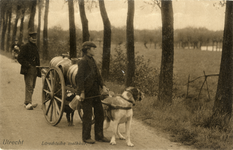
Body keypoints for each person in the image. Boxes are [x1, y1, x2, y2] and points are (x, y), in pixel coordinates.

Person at [75, 41, 110, 144]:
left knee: (100, 113)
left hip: (95, 92)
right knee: (87, 115)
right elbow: (80, 78)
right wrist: (81, 92)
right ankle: (86, 137)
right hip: (87, 92)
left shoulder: (92, 60)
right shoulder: (83, 61)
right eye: (93, 48)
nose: (95, 50)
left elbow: (98, 75)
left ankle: (99, 136)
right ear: (87, 50)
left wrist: (103, 85)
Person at [17, 31, 41, 110]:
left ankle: (27, 102)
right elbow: (19, 58)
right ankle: (28, 103)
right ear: (29, 38)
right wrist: (28, 65)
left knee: (33, 86)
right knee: (29, 86)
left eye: (35, 38)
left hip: (35, 69)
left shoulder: (35, 47)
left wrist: (39, 69)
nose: (34, 39)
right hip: (28, 69)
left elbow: (37, 59)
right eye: (32, 37)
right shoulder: (25, 46)